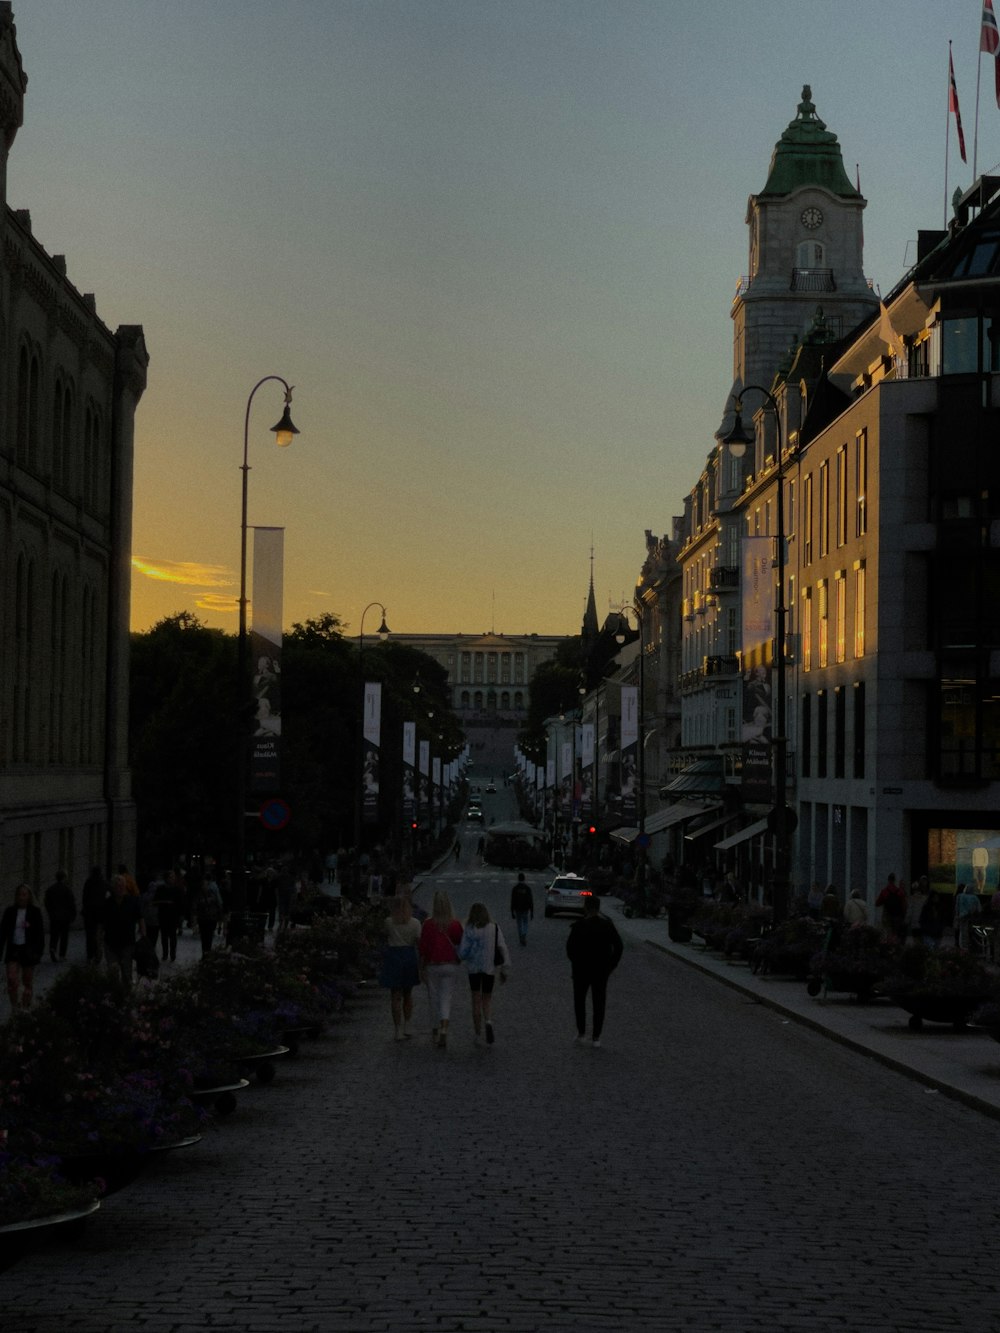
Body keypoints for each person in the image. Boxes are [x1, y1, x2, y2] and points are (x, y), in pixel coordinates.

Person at [566, 895, 623, 1048]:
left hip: (581, 970)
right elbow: (619, 946)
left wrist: (576, 962)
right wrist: (612, 965)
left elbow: (570, 949)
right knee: (599, 1003)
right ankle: (596, 1036)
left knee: (579, 1001)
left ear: (586, 907)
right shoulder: (607, 926)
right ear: (598, 908)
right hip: (601, 970)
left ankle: (581, 1032)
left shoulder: (578, 926)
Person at [458, 902, 511, 1045]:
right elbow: (502, 947)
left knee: (475, 999)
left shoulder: (469, 929)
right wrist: (505, 969)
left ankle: (477, 1033)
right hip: (489, 969)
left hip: (473, 970)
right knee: (487, 999)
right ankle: (488, 1021)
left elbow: (463, 952)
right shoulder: (494, 928)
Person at [418, 890, 463, 1049]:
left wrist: (421, 967)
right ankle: (444, 1027)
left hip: (432, 965)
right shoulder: (455, 924)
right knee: (446, 998)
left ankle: (435, 1029)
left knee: (434, 998)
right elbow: (460, 943)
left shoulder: (428, 924)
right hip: (450, 964)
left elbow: (423, 948)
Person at [379, 895, 421, 1040]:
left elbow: (384, 936)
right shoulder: (415, 923)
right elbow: (418, 942)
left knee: (395, 996)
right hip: (408, 955)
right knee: (408, 994)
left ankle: (397, 1029)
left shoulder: (389, 922)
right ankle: (407, 1024)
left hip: (393, 956)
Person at [1, 883, 45, 1011]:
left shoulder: (35, 912)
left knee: (27, 982)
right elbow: (3, 932)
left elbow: (40, 934)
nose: (21, 897)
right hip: (13, 949)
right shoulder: (10, 912)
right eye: (19, 894)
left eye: (24, 895)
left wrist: (38, 952)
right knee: (11, 979)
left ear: (29, 896)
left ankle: (25, 1008)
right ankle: (15, 1007)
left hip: (28, 950)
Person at [102, 873, 143, 992]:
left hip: (127, 943)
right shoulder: (107, 903)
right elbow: (101, 923)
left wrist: (143, 936)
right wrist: (98, 940)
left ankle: (127, 997)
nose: (120, 888)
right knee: (113, 973)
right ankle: (114, 996)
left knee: (127, 973)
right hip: (110, 943)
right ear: (113, 888)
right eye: (117, 886)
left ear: (125, 887)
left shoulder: (132, 901)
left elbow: (140, 918)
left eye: (122, 886)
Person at [43, 870, 77, 963]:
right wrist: (73, 915)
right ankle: (62, 955)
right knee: (64, 936)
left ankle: (53, 948)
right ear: (64, 878)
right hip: (65, 917)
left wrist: (50, 912)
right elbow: (72, 903)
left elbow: (46, 902)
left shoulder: (51, 889)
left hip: (54, 916)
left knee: (54, 934)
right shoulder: (67, 889)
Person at [81, 866, 109, 963]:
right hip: (101, 913)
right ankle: (98, 953)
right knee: (99, 934)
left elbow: (84, 897)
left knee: (90, 934)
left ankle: (90, 954)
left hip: (89, 913)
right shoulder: (104, 883)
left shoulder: (88, 883)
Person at [195, 873, 224, 956]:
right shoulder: (200, 894)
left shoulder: (211, 893)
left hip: (210, 918)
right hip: (204, 918)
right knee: (204, 937)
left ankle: (206, 953)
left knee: (208, 937)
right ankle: (205, 953)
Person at [875, 873, 906, 943]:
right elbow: (904, 905)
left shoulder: (884, 891)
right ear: (895, 880)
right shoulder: (900, 892)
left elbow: (877, 903)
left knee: (887, 933)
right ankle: (895, 947)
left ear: (888, 880)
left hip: (887, 915)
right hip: (897, 916)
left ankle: (888, 946)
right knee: (896, 933)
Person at [954, 881, 982, 950]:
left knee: (962, 933)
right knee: (970, 934)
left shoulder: (959, 896)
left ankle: (963, 948)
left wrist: (957, 916)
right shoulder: (975, 897)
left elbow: (956, 907)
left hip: (961, 918)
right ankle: (968, 948)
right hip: (971, 918)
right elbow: (979, 909)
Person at [510, 872, 534, 946]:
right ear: (524, 879)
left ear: (518, 879)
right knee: (525, 923)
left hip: (517, 908)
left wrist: (512, 911)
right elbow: (530, 900)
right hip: (525, 908)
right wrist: (532, 911)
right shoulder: (527, 888)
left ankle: (521, 936)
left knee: (519, 924)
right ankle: (524, 934)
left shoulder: (515, 888)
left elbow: (512, 900)